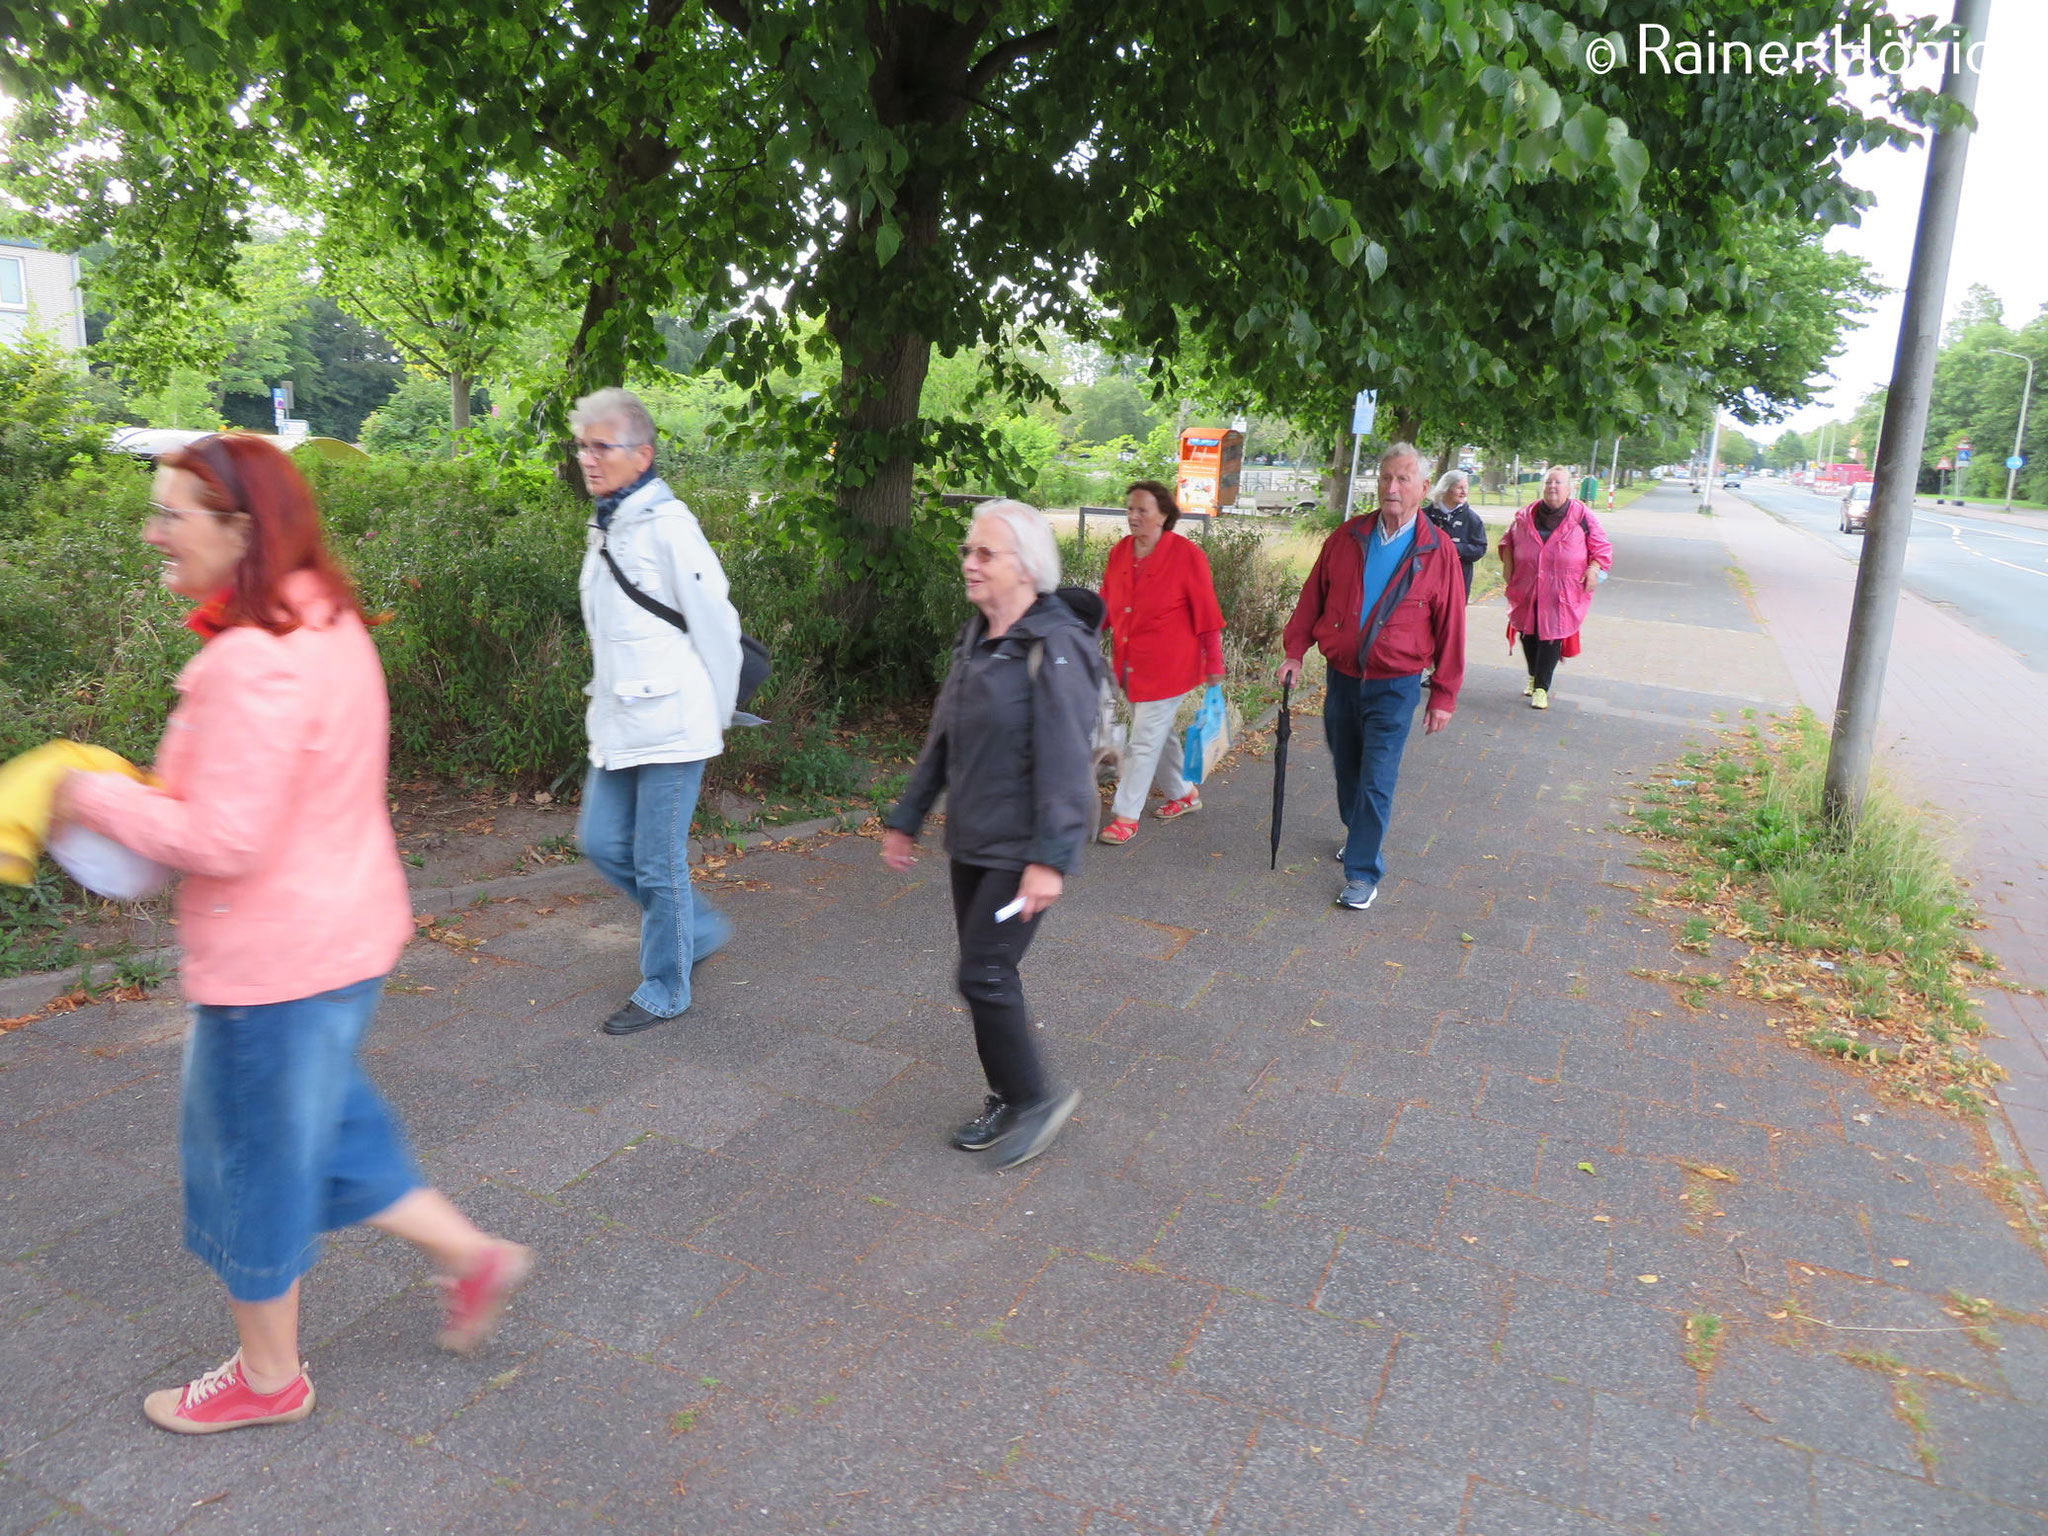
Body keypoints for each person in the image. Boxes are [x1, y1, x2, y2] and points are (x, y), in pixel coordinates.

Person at [51, 433, 529, 1435]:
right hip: (341, 942)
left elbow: (221, 834)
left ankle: (269, 1380)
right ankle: (472, 1255)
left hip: (272, 962)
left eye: (171, 513)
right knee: (330, 1129)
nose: (153, 533)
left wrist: (81, 790)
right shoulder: (329, 621)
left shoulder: (249, 663)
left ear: (239, 528)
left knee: (249, 1165)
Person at [881, 500, 1101, 1169]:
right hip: (973, 840)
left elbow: (1068, 760)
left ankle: (1034, 1098)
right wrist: (908, 817)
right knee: (987, 974)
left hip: (1023, 847)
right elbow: (944, 736)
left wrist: (1051, 860)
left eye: (985, 554)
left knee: (983, 971)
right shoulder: (978, 635)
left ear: (1026, 568)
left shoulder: (1056, 647)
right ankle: (1009, 1093)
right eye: (967, 551)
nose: (969, 564)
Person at [571, 387, 744, 1035]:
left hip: (674, 724)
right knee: (598, 841)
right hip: (619, 722)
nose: (588, 457)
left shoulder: (669, 527)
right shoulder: (607, 523)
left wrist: (716, 715)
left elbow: (717, 626)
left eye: (601, 446)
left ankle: (666, 986)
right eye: (582, 445)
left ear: (641, 456)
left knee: (656, 859)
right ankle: (693, 927)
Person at [1277, 442, 1466, 911]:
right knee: (1346, 768)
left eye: (1403, 479)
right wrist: (1295, 653)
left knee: (1377, 777)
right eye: (1385, 477)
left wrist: (1443, 694)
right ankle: (1358, 830)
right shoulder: (1347, 538)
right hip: (1342, 679)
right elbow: (1312, 599)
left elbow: (1452, 629)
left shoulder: (1437, 551)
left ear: (1424, 488)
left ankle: (1362, 871)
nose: (1392, 486)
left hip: (1395, 686)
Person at [1096, 479, 1225, 846]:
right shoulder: (1121, 551)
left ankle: (1125, 816)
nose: (1133, 516)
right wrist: (1082, 629)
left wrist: (1214, 663)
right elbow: (1108, 602)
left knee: (1143, 741)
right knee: (1157, 734)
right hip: (1132, 667)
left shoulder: (1186, 555)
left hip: (1171, 668)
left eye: (1142, 510)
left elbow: (1207, 613)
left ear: (1163, 515)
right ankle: (1183, 794)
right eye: (1130, 509)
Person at [1497, 465, 1613, 710]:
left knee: (1551, 635)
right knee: (1528, 633)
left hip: (1562, 590)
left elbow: (1602, 549)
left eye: (1558, 483)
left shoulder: (1583, 516)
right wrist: (1508, 567)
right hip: (1527, 585)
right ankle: (1533, 675)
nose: (1552, 487)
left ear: (1569, 489)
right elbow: (1507, 541)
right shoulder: (1525, 514)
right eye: (1549, 482)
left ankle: (1541, 688)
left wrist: (1593, 569)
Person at [1423, 469, 1489, 596]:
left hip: (1459, 581)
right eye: (1459, 487)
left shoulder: (1472, 519)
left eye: (1466, 487)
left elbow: (1480, 548)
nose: (1464, 492)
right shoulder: (1424, 516)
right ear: (1445, 488)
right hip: (1427, 580)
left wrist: (1454, 548)